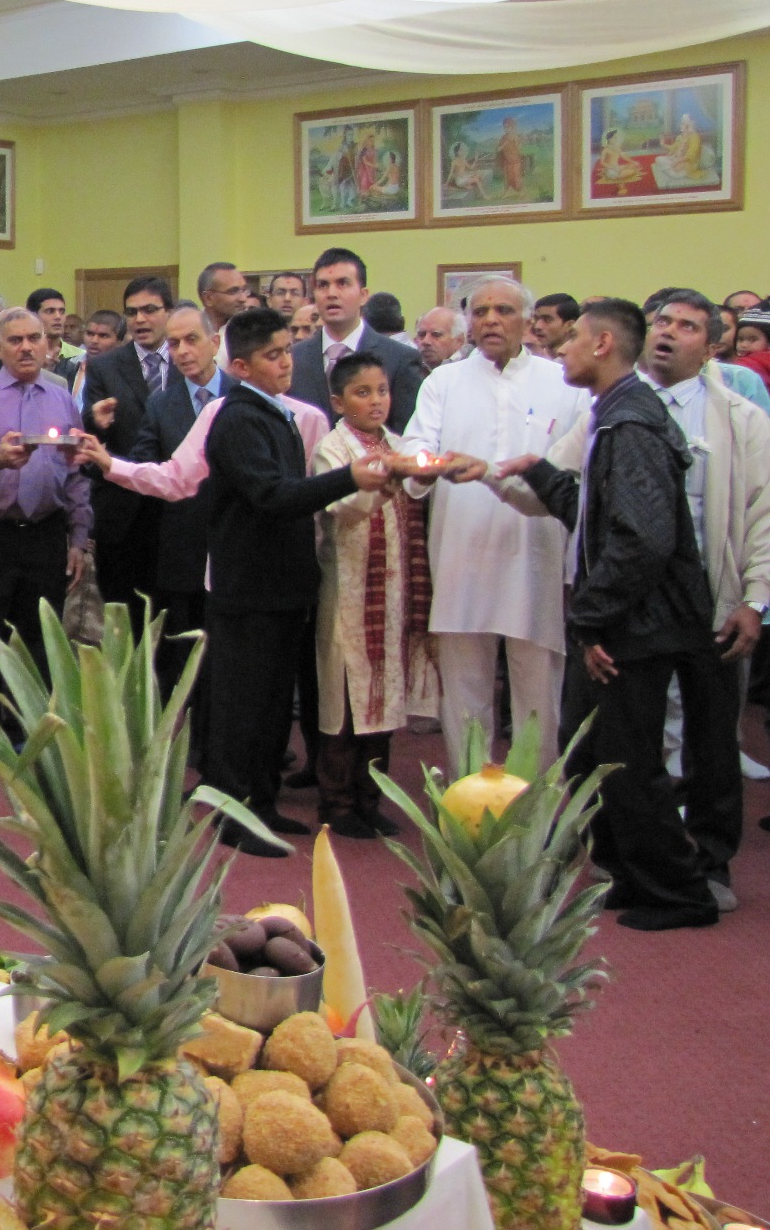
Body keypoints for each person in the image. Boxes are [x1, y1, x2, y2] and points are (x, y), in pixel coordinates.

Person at [489, 289, 763, 909]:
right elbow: (588, 511)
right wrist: (527, 471)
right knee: (603, 751)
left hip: (657, 611)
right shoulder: (613, 412)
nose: (561, 348)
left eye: (573, 337)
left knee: (655, 754)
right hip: (635, 608)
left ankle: (682, 885)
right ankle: (630, 870)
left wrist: (591, 619)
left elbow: (641, 537)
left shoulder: (637, 419)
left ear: (604, 343)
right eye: (662, 319)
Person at [201, 308, 391, 856]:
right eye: (272, 355)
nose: (287, 363)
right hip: (248, 589)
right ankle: (233, 815)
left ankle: (262, 803)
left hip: (282, 586)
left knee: (271, 710)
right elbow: (272, 495)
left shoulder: (276, 414)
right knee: (243, 709)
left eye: (288, 350)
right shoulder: (237, 419)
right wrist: (347, 478)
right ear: (239, 365)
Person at [402, 274, 588, 769]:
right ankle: (469, 806)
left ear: (528, 321)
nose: (490, 320)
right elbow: (417, 447)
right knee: (463, 690)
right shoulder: (444, 381)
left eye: (503, 310)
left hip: (536, 552)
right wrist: (428, 466)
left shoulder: (564, 383)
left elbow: (573, 472)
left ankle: (537, 809)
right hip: (461, 549)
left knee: (538, 690)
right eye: (480, 311)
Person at [0, 308, 97, 726]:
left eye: (34, 338)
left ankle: (32, 725)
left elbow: (77, 472)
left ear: (48, 345)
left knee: (41, 636)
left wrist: (79, 537)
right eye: (15, 340)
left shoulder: (62, 398)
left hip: (45, 534)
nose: (26, 347)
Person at [312, 352, 437, 838]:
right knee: (344, 702)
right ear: (339, 401)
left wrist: (418, 471)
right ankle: (338, 801)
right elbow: (343, 506)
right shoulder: (333, 448)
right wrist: (381, 477)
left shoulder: (399, 443)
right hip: (347, 591)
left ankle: (371, 798)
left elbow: (421, 490)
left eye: (381, 391)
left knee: (383, 702)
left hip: (393, 592)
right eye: (363, 393)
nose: (376, 401)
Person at [124, 306, 228, 747]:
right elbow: (146, 463)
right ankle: (174, 747)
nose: (183, 351)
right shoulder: (162, 402)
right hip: (181, 548)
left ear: (215, 342)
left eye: (191, 340)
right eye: (174, 343)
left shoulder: (243, 395)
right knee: (180, 655)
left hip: (230, 547)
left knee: (225, 659)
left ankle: (219, 744)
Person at [82, 275, 173, 618]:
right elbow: (89, 428)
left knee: (173, 619)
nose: (141, 320)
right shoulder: (106, 365)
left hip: (174, 508)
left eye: (150, 310)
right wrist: (94, 419)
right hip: (122, 512)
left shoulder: (187, 361)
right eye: (133, 312)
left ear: (169, 311)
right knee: (123, 617)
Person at [288, 248, 423, 432]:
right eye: (323, 285)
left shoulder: (399, 359)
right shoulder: (294, 357)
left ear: (363, 295)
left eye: (342, 283)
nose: (331, 293)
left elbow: (405, 435)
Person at [25, 288, 81, 381]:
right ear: (32, 316)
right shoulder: (23, 353)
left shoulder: (79, 356)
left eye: (62, 311)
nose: (58, 317)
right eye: (50, 311)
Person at [415, 307, 467, 371]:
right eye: (421, 334)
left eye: (436, 334)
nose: (426, 341)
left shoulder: (469, 372)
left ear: (459, 341)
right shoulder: (409, 369)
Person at [531, 293, 581, 357]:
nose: (537, 326)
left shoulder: (581, 364)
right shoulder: (529, 361)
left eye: (547, 319)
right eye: (536, 319)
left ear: (570, 325)